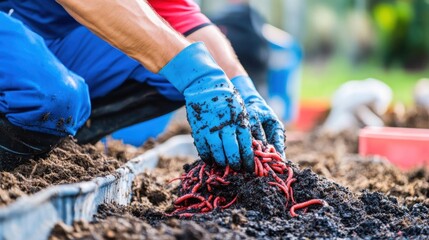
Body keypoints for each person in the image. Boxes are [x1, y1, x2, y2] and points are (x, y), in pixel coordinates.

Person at [0, 0, 285, 171]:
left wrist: (240, 87)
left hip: (41, 34)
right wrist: (196, 75)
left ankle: (60, 137)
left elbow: (180, 16)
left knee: (182, 72)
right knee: (50, 99)